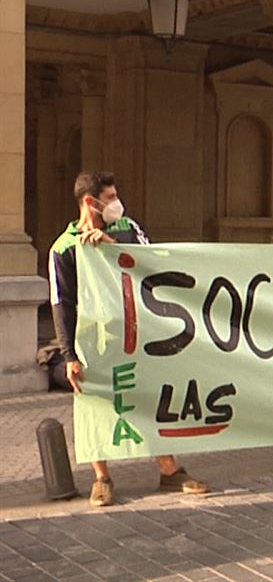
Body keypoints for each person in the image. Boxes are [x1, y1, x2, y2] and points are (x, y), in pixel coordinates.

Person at [52, 171, 209, 508]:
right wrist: (69, 357)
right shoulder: (64, 248)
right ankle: (102, 478)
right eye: (109, 197)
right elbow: (61, 302)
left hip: (134, 333)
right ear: (89, 202)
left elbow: (151, 264)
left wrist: (113, 248)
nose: (116, 203)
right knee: (94, 404)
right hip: (92, 340)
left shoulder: (127, 229)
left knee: (147, 397)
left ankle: (170, 470)